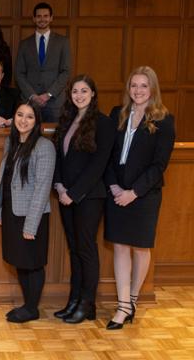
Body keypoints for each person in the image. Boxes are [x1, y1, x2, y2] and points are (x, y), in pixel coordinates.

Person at [104, 66, 175, 330]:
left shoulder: (164, 120)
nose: (138, 90)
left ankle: (131, 300)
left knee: (140, 247)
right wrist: (113, 186)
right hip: (116, 191)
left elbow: (159, 165)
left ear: (152, 89)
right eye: (134, 85)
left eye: (144, 86)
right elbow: (107, 154)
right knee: (120, 247)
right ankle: (123, 305)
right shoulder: (117, 114)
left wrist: (133, 193)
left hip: (143, 195)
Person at [52, 75, 116, 324]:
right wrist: (58, 186)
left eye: (84, 91)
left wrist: (74, 193)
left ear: (93, 94)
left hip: (88, 197)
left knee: (86, 250)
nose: (79, 95)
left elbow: (98, 165)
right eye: (75, 91)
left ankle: (88, 303)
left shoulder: (104, 123)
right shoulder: (67, 120)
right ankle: (75, 300)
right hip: (65, 194)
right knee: (74, 250)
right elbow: (58, 155)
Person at [0, 101, 55, 323]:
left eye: (30, 117)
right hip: (12, 211)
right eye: (20, 114)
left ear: (37, 121)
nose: (23, 120)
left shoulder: (44, 146)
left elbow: (42, 187)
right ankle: (27, 305)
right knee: (19, 260)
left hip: (31, 215)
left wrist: (31, 224)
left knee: (33, 262)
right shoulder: (11, 143)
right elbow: (4, 181)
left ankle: (32, 308)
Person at [15, 2, 71, 122]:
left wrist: (49, 94)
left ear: (51, 18)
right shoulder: (24, 44)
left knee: (55, 138)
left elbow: (65, 71)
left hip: (54, 103)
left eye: (45, 16)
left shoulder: (63, 42)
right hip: (30, 102)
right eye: (39, 16)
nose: (42, 19)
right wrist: (33, 95)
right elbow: (19, 73)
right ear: (34, 19)